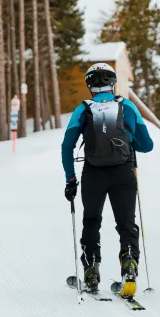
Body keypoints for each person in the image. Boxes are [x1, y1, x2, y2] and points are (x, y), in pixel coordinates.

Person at [61, 62, 154, 297]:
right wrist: (128, 142)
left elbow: (66, 146)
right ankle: (129, 267)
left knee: (91, 221)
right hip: (124, 172)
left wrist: (70, 179)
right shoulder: (127, 106)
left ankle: (91, 272)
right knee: (127, 224)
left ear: (89, 85)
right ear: (113, 83)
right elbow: (147, 145)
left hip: (93, 174)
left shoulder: (83, 109)